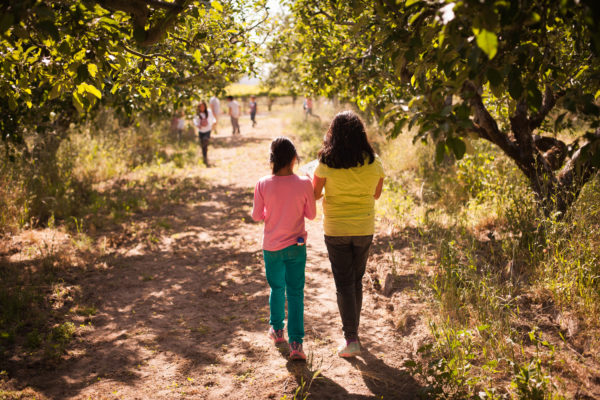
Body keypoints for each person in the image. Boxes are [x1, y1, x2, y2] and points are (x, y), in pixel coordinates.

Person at [312, 111, 385, 358]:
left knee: (344, 283)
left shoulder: (325, 162)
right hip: (364, 229)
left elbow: (314, 195)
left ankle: (351, 338)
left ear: (333, 133)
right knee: (356, 280)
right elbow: (376, 195)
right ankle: (354, 334)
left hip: (336, 229)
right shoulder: (374, 162)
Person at [252, 137, 317, 361]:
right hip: (296, 246)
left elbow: (256, 215)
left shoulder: (262, 183)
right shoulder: (304, 183)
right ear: (293, 159)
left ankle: (277, 331)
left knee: (277, 288)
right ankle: (297, 344)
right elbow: (311, 215)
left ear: (272, 159)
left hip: (271, 248)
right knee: (296, 293)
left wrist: (272, 213)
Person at [193, 101, 216, 166]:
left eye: (203, 106)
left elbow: (212, 118)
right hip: (201, 131)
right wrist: (197, 125)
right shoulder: (197, 114)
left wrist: (214, 122)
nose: (202, 108)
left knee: (205, 140)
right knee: (202, 144)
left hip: (207, 130)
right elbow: (195, 120)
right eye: (201, 106)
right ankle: (204, 156)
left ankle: (205, 156)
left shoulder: (208, 112)